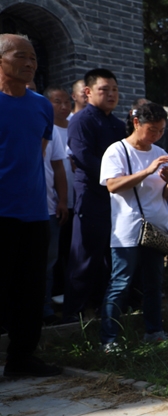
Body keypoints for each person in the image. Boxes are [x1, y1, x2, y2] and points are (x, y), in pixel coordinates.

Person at [0, 33, 62, 377]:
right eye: (21, 56)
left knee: (31, 289)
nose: (29, 64)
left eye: (34, 58)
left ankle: (21, 358)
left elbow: (36, 155)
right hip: (1, 213)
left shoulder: (41, 105)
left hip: (35, 212)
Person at [98, 101, 168, 352]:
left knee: (154, 283)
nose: (157, 135)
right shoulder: (117, 151)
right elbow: (112, 185)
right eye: (152, 129)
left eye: (161, 130)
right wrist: (148, 170)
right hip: (127, 231)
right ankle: (108, 339)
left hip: (157, 227)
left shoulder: (160, 151)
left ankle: (154, 331)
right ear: (136, 123)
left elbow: (165, 194)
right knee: (121, 283)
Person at [63, 68, 126, 323]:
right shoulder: (81, 121)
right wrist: (117, 177)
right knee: (85, 256)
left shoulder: (118, 124)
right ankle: (72, 315)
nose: (111, 94)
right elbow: (85, 158)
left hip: (116, 198)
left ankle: (104, 310)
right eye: (104, 90)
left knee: (109, 257)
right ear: (87, 92)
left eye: (114, 90)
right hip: (91, 195)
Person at [41, 87, 70, 325]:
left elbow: (58, 168)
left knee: (48, 262)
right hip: (13, 208)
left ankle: (45, 310)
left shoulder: (50, 130)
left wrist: (62, 200)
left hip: (49, 208)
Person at [45, 86, 75, 304]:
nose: (64, 106)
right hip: (48, 203)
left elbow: (61, 167)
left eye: (67, 102)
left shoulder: (75, 127)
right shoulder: (48, 128)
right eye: (58, 102)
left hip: (71, 202)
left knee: (65, 253)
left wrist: (63, 199)